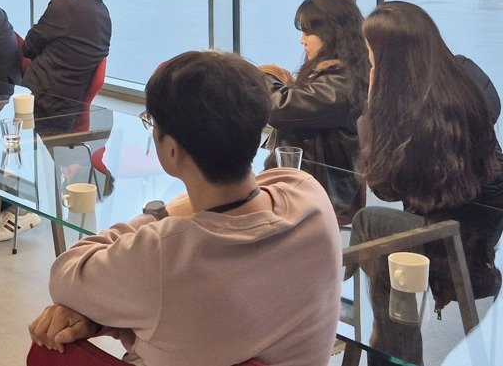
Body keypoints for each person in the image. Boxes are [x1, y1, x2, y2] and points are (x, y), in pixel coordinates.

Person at [30, 50, 342, 366]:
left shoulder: (163, 252)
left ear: (172, 150)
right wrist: (100, 320)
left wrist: (161, 214)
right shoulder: (307, 195)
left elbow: (65, 275)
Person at [350, 1, 503, 365]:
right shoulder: (467, 76)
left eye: (373, 59)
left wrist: (371, 112)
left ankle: (388, 341)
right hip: (484, 235)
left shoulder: (401, 112)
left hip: (449, 242)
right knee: (386, 245)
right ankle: (387, 332)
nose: (370, 65)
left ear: (390, 62)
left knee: (369, 224)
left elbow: (385, 189)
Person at [257, 0, 369, 225]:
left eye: (308, 32)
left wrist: (260, 77)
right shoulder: (344, 72)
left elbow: (280, 107)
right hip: (306, 187)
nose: (302, 40)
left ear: (330, 33)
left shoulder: (341, 84)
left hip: (319, 195)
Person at [22, 0, 112, 116]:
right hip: (71, 104)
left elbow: (28, 48)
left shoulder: (64, 7)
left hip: (41, 104)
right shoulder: (102, 11)